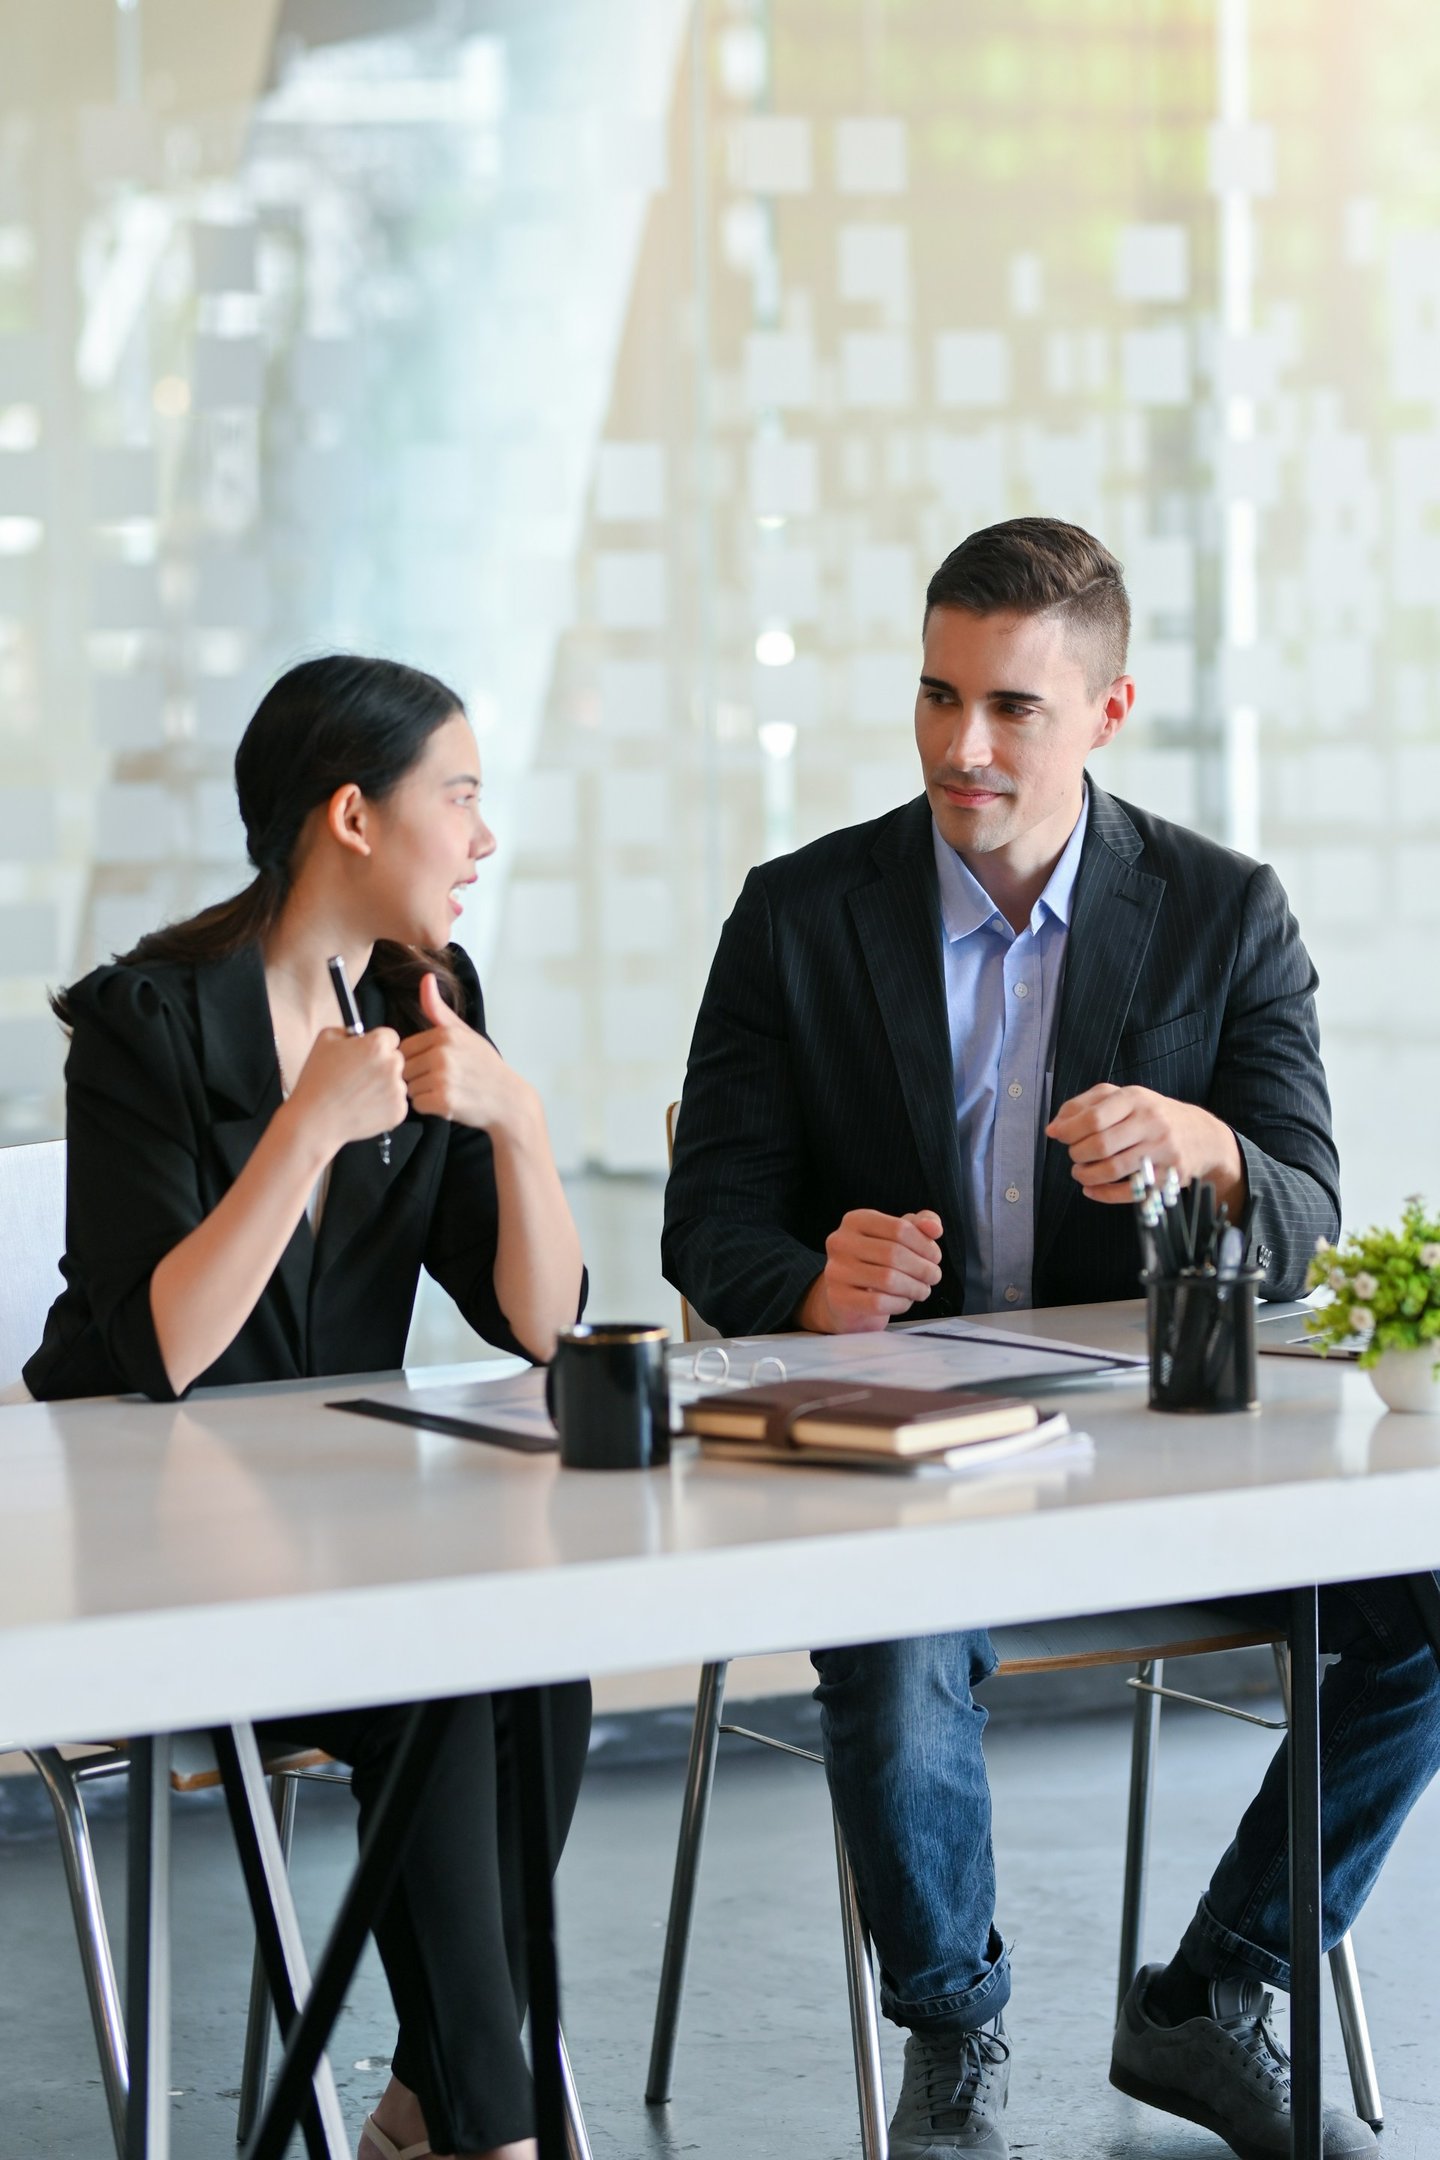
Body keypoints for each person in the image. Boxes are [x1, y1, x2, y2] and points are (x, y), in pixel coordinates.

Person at [663, 519, 1440, 2160]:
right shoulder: (799, 918)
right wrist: (815, 1281)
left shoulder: (1226, 913)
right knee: (888, 1638)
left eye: (1015, 707)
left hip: (1167, 1456)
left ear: (1108, 708)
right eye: (940, 696)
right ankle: (956, 2031)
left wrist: (1212, 1146)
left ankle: (1217, 1989)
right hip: (913, 1459)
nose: (965, 746)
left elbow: (1308, 1203)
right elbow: (706, 1222)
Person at [26, 654, 588, 2160]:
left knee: (545, 1669)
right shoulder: (148, 1023)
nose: (481, 839)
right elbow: (166, 1348)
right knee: (441, 1665)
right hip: (145, 1568)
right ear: (353, 814)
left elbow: (540, 1324)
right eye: (458, 799)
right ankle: (494, 2134)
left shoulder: (428, 1000)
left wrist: (517, 1123)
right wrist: (306, 1129)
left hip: (334, 1543)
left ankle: (432, 2101)